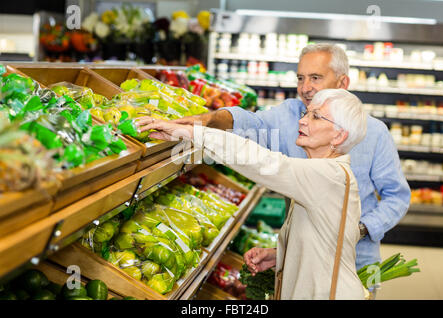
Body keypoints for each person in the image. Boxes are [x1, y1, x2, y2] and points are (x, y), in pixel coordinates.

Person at [171, 44, 411, 282]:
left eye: (315, 78)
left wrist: (360, 229)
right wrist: (210, 119)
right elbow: (251, 124)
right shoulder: (289, 115)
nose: (305, 88)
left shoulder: (375, 133)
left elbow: (396, 196)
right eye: (300, 78)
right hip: (302, 257)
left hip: (357, 261)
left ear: (342, 84)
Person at [136, 89, 368, 299]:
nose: (302, 121)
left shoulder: (329, 175)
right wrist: (282, 255)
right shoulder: (326, 174)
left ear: (339, 136)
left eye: (315, 117)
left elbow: (263, 162)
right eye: (306, 113)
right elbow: (329, 237)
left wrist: (193, 133)